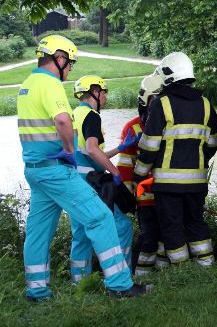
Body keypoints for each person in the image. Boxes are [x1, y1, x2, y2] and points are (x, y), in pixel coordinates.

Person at [17, 35, 149, 301]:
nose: (69, 70)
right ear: (60, 58)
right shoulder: (50, 83)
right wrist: (67, 150)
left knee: (39, 232)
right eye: (70, 64)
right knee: (100, 217)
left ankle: (37, 291)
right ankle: (120, 285)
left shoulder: (27, 85)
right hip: (56, 170)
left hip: (34, 170)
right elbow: (64, 121)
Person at [133, 52, 217, 267]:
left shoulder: (162, 103)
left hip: (168, 184)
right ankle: (207, 266)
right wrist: (198, 160)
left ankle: (183, 271)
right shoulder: (207, 104)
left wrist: (139, 174)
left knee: (172, 227)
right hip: (197, 182)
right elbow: (213, 143)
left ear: (168, 76)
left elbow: (150, 145)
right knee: (196, 224)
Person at [69, 75, 138, 283]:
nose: (106, 97)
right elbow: (91, 149)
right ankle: (124, 276)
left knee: (81, 232)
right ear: (95, 92)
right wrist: (115, 173)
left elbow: (89, 154)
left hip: (73, 180)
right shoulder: (91, 116)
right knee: (122, 226)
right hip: (91, 182)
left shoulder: (74, 115)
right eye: (104, 92)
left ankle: (80, 283)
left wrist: (120, 148)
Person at [116, 74, 170, 275]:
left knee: (169, 235)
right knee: (149, 237)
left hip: (169, 193)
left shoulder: (172, 124)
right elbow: (124, 167)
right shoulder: (132, 127)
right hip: (145, 197)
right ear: (144, 101)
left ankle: (164, 276)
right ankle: (139, 274)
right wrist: (130, 197)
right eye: (154, 100)